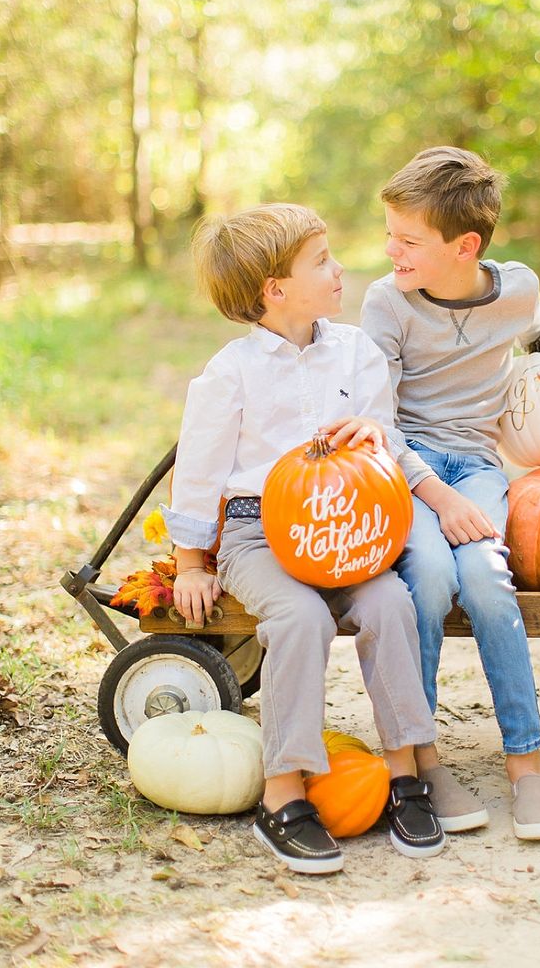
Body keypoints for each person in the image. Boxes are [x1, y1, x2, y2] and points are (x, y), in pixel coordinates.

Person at [163, 203, 446, 874]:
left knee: (388, 606)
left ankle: (404, 770)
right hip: (257, 531)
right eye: (322, 260)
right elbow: (200, 472)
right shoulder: (230, 373)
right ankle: (284, 788)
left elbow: (383, 433)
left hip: (347, 523)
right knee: (297, 616)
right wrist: (190, 562)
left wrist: (372, 436)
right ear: (275, 290)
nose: (340, 267)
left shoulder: (355, 350)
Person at [361, 146, 540, 841]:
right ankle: (425, 759)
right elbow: (376, 423)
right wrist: (436, 497)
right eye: (390, 235)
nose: (390, 250)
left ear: (465, 247)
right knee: (431, 579)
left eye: (407, 241)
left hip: (477, 466)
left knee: (489, 584)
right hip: (408, 472)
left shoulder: (515, 287)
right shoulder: (388, 302)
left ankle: (526, 763)